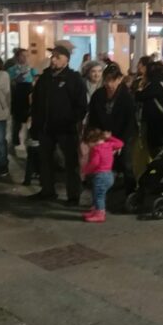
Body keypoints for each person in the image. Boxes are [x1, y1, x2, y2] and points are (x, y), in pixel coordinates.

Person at [29, 45, 88, 204]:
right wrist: (35, 124)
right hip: (46, 128)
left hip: (66, 129)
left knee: (70, 163)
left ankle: (73, 195)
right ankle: (47, 190)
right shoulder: (45, 78)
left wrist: (71, 120)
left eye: (57, 57)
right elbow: (36, 103)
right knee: (45, 160)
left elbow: (81, 106)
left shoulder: (74, 79)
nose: (53, 60)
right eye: (52, 57)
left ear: (66, 60)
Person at [87, 63, 137, 194]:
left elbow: (130, 121)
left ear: (120, 79)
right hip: (103, 135)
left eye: (112, 80)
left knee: (126, 163)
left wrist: (121, 142)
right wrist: (96, 134)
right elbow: (93, 116)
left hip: (122, 135)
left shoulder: (126, 97)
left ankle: (130, 192)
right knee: (104, 163)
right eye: (107, 80)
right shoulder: (98, 95)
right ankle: (104, 188)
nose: (109, 84)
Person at [81, 128, 123, 223]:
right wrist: (110, 137)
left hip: (100, 176)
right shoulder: (109, 145)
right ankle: (96, 211)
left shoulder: (97, 149)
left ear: (93, 141)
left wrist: (86, 170)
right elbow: (120, 143)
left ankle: (100, 214)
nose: (88, 146)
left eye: (88, 143)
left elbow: (94, 163)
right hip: (109, 174)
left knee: (99, 196)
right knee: (98, 194)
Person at [7, 48, 37, 147]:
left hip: (29, 94)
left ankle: (30, 140)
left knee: (30, 118)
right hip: (17, 95)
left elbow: (36, 79)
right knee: (17, 121)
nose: (25, 58)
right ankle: (14, 141)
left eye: (27, 55)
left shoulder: (31, 68)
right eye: (22, 55)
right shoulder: (12, 69)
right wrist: (16, 79)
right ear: (17, 57)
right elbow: (9, 82)